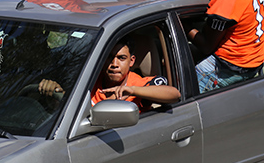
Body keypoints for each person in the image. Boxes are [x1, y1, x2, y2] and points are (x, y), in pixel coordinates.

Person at [38, 39, 180, 111]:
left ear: (132, 61)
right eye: (109, 57)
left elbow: (174, 94)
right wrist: (56, 94)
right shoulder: (89, 79)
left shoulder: (138, 84)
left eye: (121, 58)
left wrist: (132, 90)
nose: (114, 64)